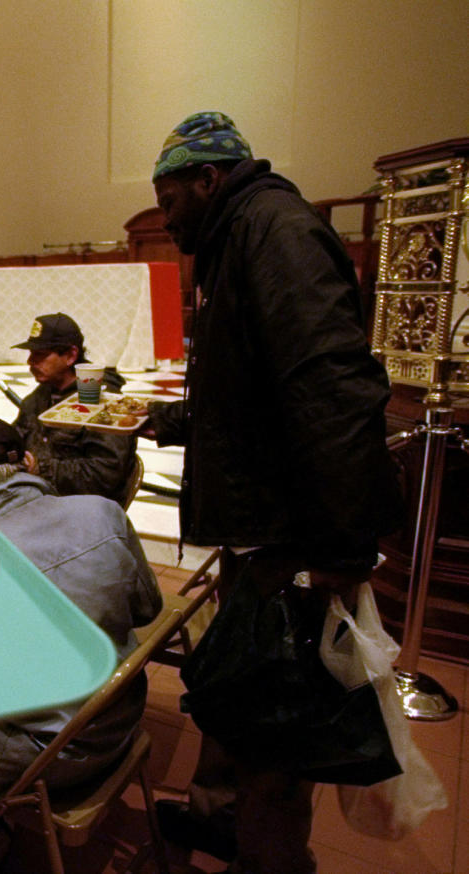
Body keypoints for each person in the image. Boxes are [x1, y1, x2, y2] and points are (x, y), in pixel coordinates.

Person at [145, 111, 402, 874]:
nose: (165, 219)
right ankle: (217, 822)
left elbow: (332, 393)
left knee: (278, 738)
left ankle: (271, 861)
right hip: (258, 535)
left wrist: (343, 549)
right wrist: (176, 419)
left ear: (207, 178)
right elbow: (249, 385)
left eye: (169, 201)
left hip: (292, 543)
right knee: (235, 703)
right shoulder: (235, 235)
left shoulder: (276, 234)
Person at [0, 415, 162, 811]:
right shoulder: (103, 512)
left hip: (57, 752)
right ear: (29, 462)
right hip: (122, 713)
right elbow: (148, 609)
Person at [12, 313, 138, 505]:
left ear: (70, 355)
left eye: (41, 355)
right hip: (38, 499)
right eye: (31, 354)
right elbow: (16, 438)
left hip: (84, 509)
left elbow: (103, 475)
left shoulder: (103, 399)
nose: (30, 362)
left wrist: (41, 468)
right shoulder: (41, 395)